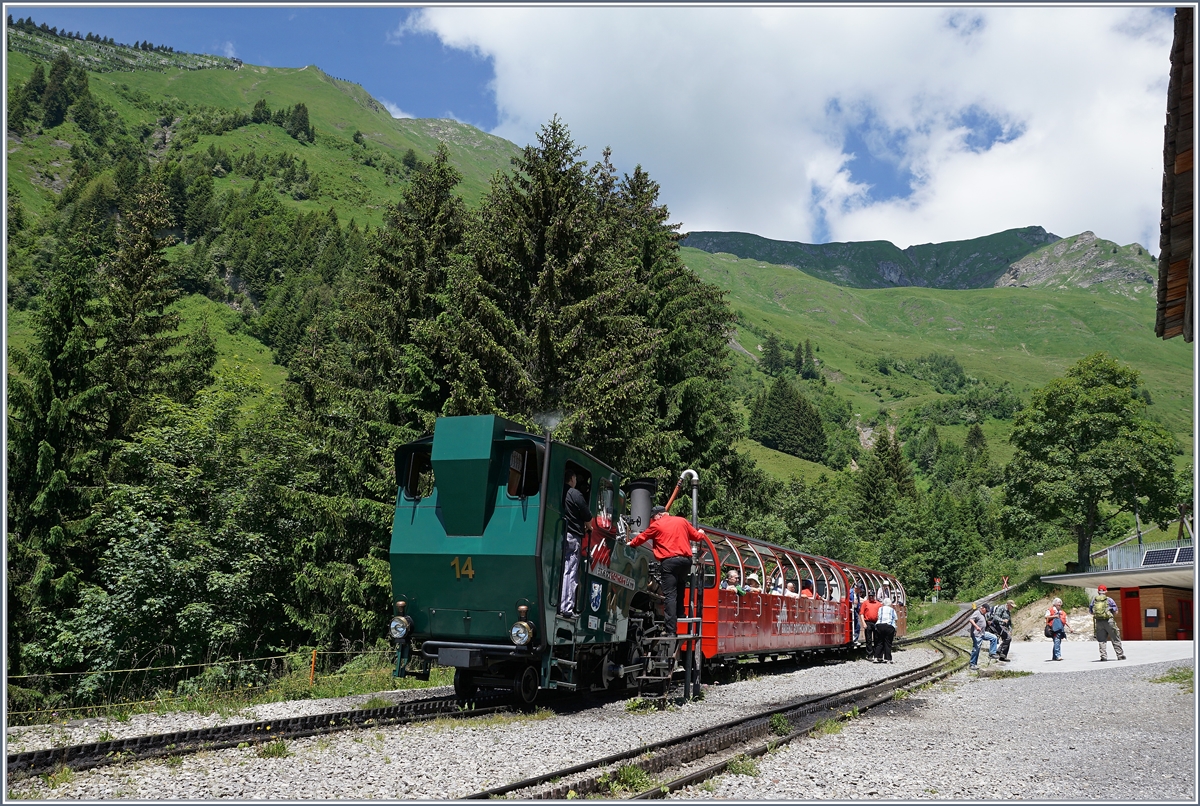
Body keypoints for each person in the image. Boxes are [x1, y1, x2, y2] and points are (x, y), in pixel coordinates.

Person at [626, 505, 707, 633]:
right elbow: (696, 536)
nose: (653, 520)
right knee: (681, 586)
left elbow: (642, 537)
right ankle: (681, 613)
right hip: (685, 561)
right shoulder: (682, 521)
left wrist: (631, 543)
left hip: (669, 561)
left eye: (653, 518)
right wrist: (701, 533)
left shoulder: (657, 525)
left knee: (670, 595)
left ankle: (671, 630)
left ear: (658, 515)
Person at [559, 469, 591, 617]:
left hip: (559, 535)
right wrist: (588, 525)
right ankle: (566, 607)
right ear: (572, 478)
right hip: (572, 536)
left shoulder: (558, 491)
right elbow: (587, 515)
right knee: (570, 571)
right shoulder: (574, 493)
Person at [1090, 585, 1126, 661]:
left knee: (1101, 640)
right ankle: (1120, 655)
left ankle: (1103, 656)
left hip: (1099, 622)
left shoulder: (1094, 600)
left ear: (1098, 591)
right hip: (1109, 621)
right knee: (1115, 637)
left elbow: (1091, 612)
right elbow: (1116, 611)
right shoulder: (1109, 600)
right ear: (1106, 591)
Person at [967, 603, 999, 671]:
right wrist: (977, 627)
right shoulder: (977, 612)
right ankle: (972, 664)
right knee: (976, 649)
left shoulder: (983, 614)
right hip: (977, 634)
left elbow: (981, 621)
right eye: (986, 610)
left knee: (994, 637)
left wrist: (988, 623)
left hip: (983, 633)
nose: (987, 612)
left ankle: (992, 653)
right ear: (983, 608)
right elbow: (971, 620)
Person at [874, 598, 898, 663]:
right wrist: (895, 629)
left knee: (879, 642)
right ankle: (888, 658)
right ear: (890, 603)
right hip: (889, 626)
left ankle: (877, 657)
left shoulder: (880, 609)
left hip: (879, 625)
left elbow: (878, 617)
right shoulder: (892, 610)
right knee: (888, 643)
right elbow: (895, 619)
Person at [860, 590, 881, 658]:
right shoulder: (865, 603)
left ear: (874, 596)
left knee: (876, 638)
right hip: (868, 622)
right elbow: (861, 613)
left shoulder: (878, 604)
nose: (871, 597)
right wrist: (863, 623)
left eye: (872, 596)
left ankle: (876, 653)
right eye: (870, 596)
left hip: (876, 622)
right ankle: (869, 654)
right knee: (868, 639)